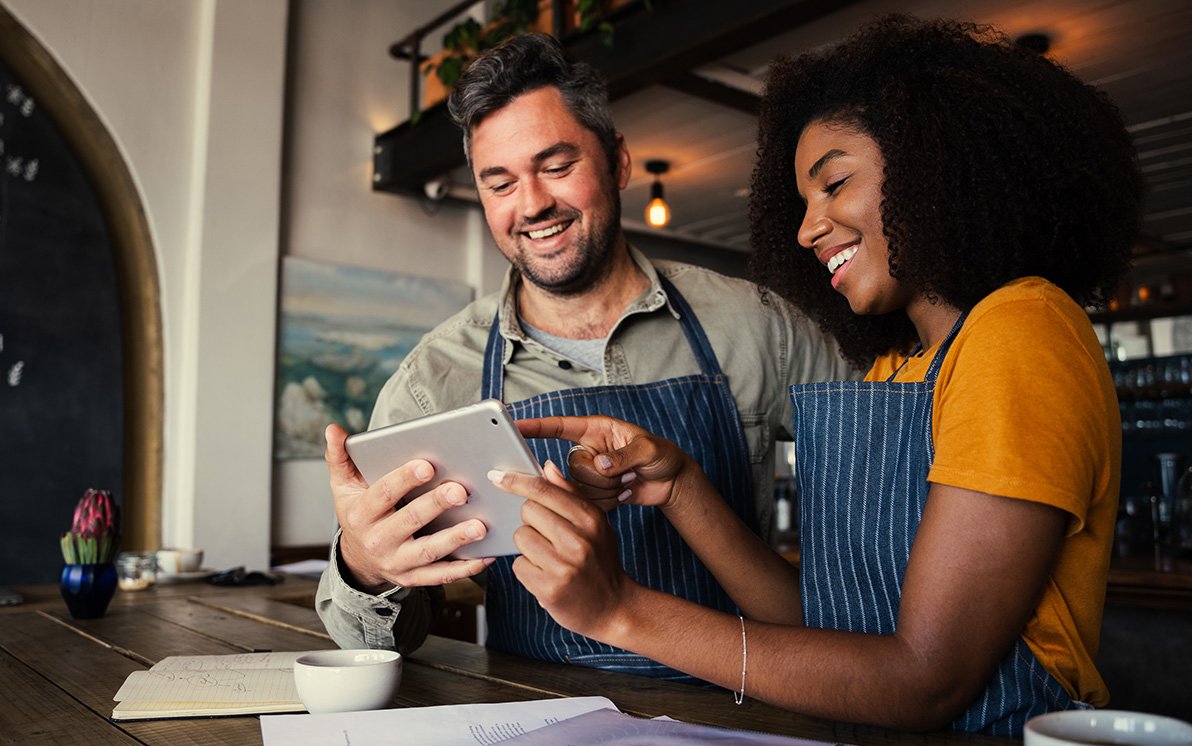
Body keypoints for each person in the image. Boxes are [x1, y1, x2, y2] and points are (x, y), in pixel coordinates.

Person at [488, 15, 1141, 735]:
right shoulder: (902, 369)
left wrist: (619, 612)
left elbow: (926, 677)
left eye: (833, 184)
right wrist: (679, 487)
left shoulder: (1021, 331)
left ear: (935, 166)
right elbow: (826, 631)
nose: (807, 228)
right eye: (802, 202)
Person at [316, 32, 853, 677]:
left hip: (761, 709)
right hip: (533, 723)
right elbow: (383, 647)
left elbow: (886, 512)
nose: (533, 204)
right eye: (500, 183)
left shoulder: (759, 326)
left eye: (557, 165)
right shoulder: (435, 380)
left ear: (618, 161)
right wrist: (366, 569)